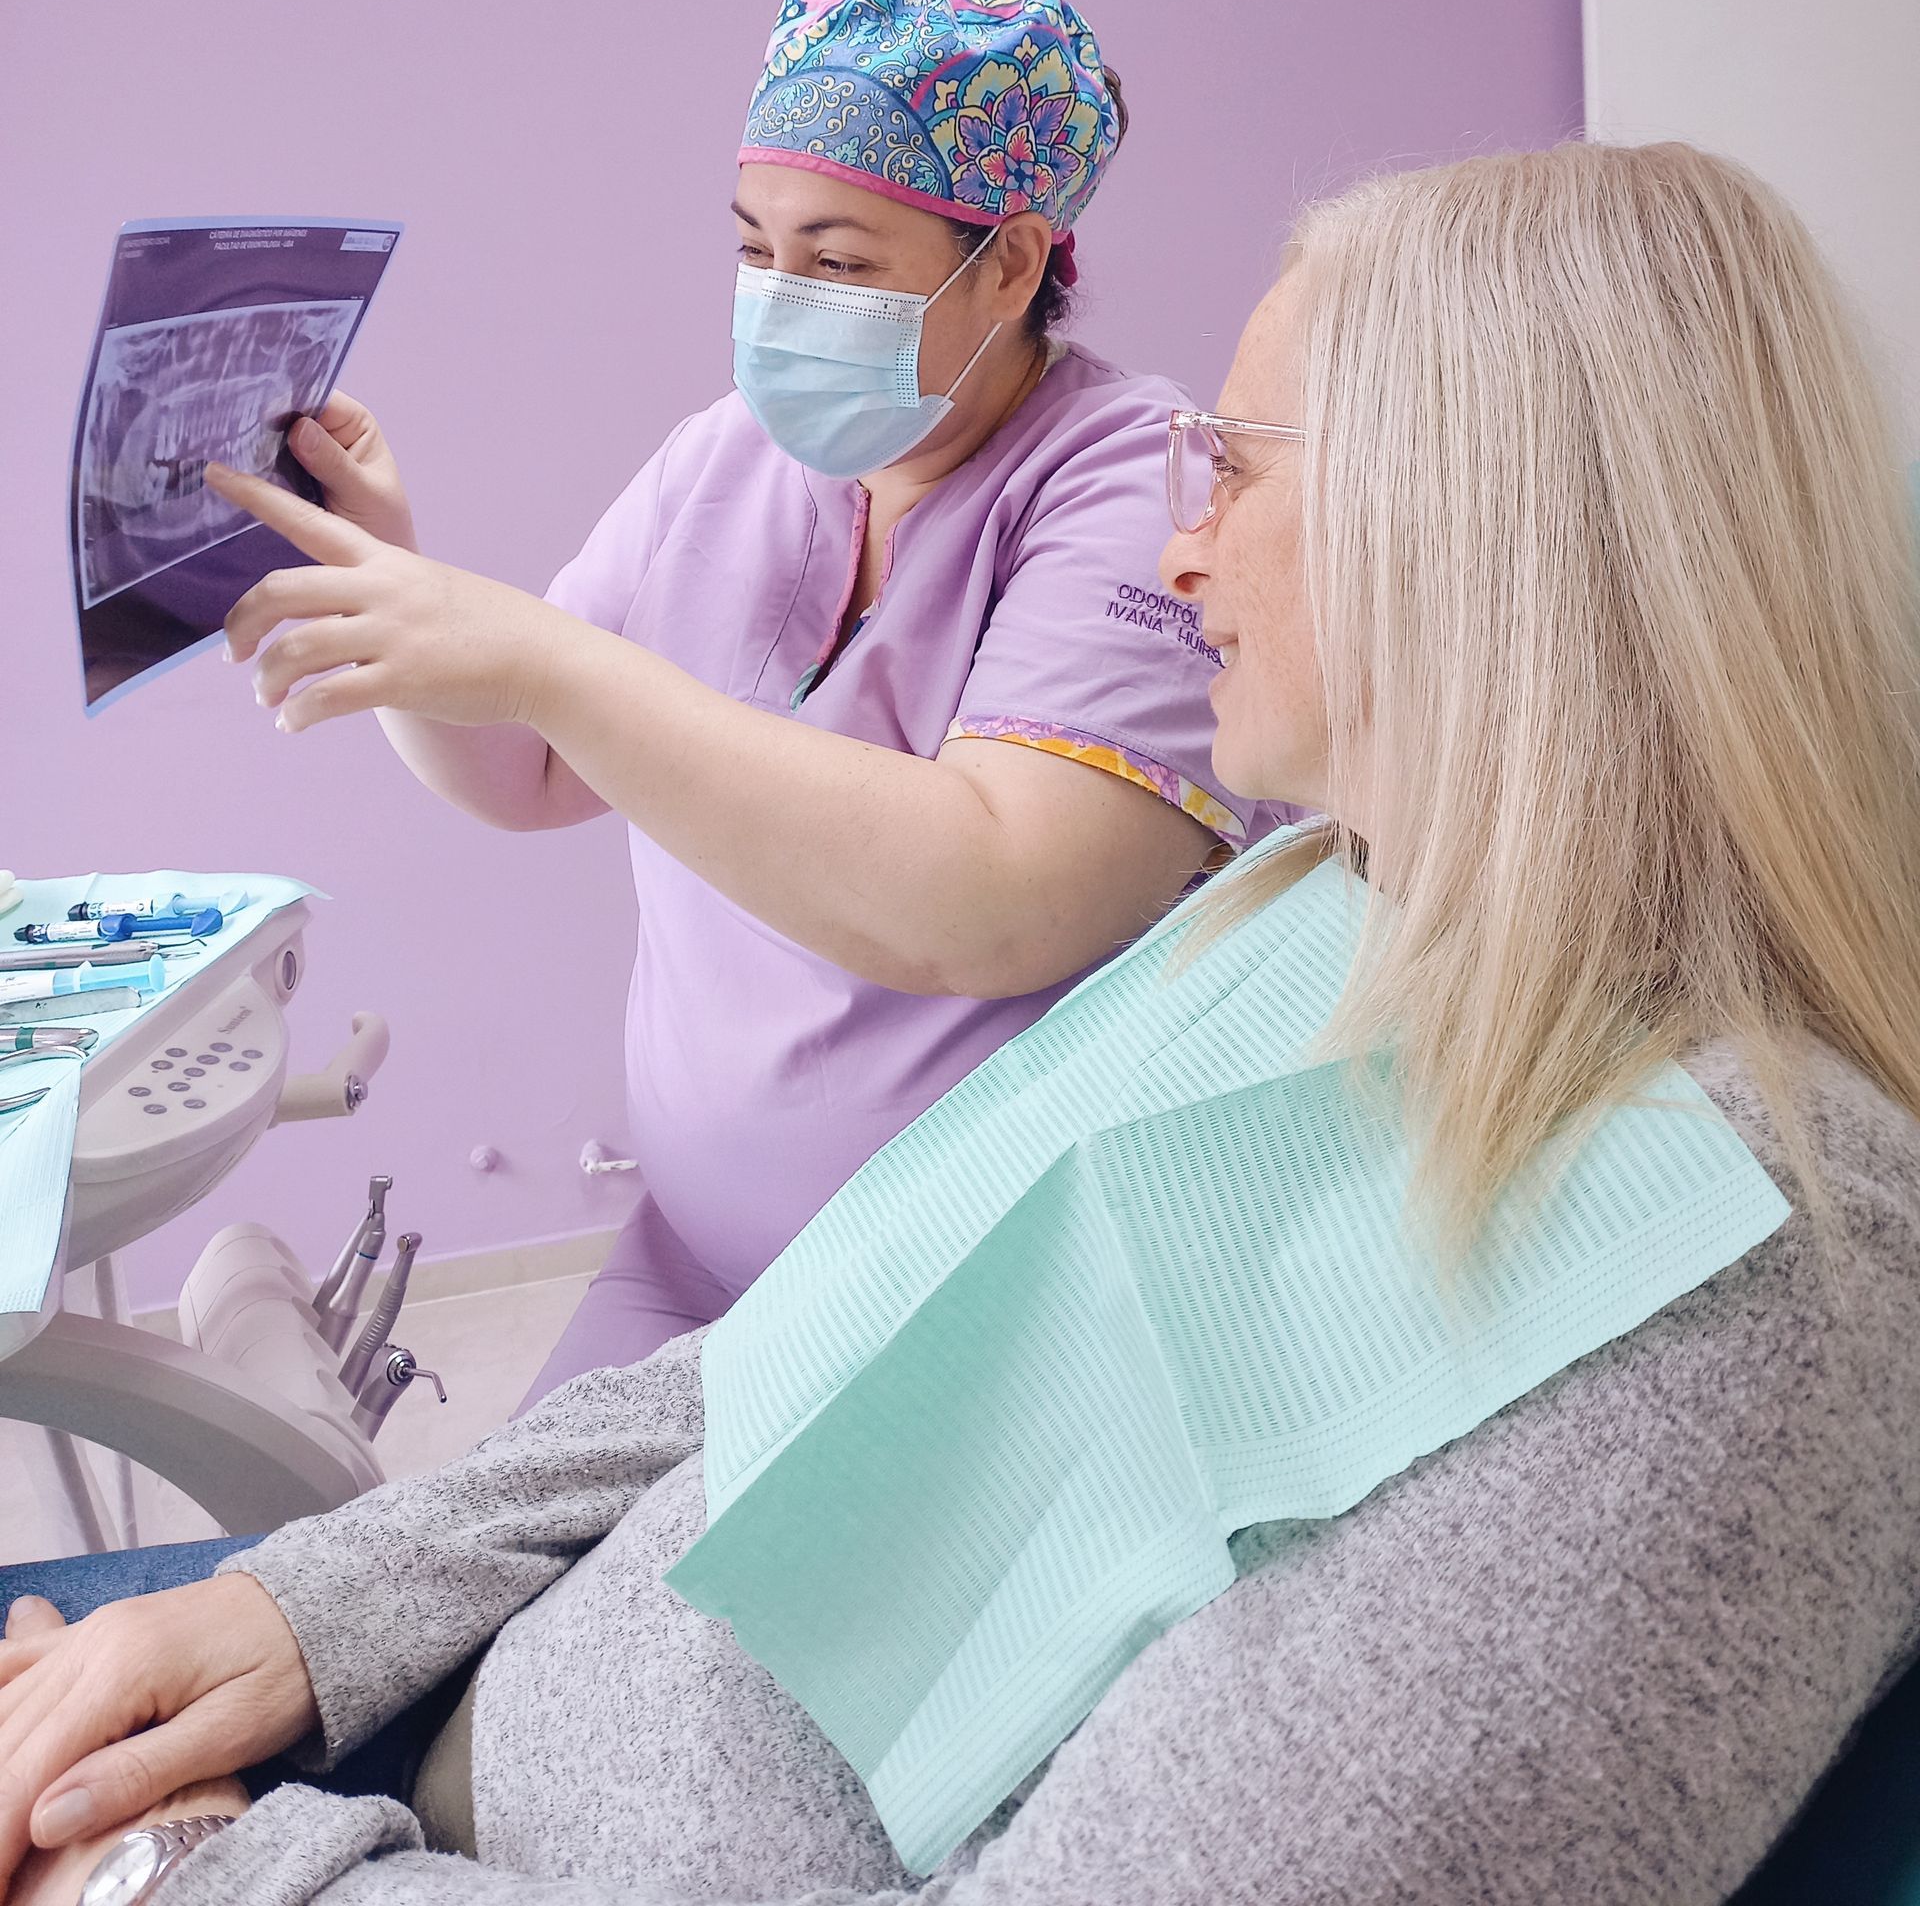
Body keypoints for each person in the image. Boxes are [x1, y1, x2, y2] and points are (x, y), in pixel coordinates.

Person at [5, 140, 1920, 1906]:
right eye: (755, 251)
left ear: (1492, 530)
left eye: (1239, 469)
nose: (1185, 557)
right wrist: (314, 1609)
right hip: (468, 1690)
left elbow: (982, 886)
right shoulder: (1328, 901)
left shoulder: (1748, 1261)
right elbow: (848, 1333)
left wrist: (180, 1872)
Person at [205, 0, 1270, 1397]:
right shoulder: (727, 459)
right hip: (696, 1258)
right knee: (475, 1595)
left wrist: (544, 660)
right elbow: (524, 770)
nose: (779, 302)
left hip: (977, 1293)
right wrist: (386, 585)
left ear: (1013, 258)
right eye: (757, 250)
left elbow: (1000, 901)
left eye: (838, 262)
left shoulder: (1132, 488)